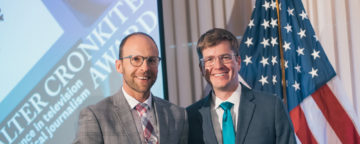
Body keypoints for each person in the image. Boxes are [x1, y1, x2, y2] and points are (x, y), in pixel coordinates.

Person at [73, 32, 188, 144]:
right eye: (136, 59)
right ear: (119, 66)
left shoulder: (178, 115)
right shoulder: (96, 116)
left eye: (152, 60)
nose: (145, 68)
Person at [187, 28, 296, 144]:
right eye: (209, 60)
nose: (218, 66)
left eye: (225, 57)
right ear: (202, 69)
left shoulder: (271, 107)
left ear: (238, 62)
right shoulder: (190, 117)